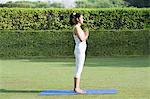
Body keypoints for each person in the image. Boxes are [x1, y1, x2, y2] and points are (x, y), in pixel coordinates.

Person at [70, 13, 89, 94]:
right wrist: (87, 34)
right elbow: (82, 39)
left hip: (80, 50)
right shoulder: (77, 28)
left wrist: (85, 33)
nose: (83, 19)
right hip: (79, 50)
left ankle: (76, 87)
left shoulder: (78, 27)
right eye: (81, 18)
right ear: (77, 19)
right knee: (79, 69)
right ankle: (76, 88)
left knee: (79, 68)